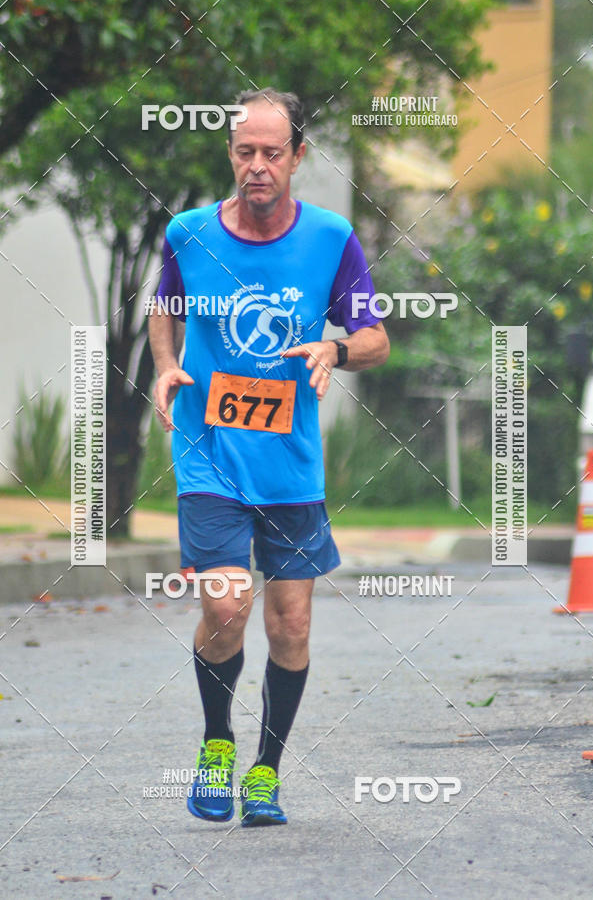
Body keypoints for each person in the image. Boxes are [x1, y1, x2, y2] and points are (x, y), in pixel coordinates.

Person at [148, 87, 389, 827]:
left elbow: (376, 339)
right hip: (210, 453)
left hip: (289, 463)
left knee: (290, 628)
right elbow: (167, 306)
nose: (257, 166)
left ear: (297, 157)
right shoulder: (188, 233)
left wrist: (335, 345)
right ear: (230, 154)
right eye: (245, 152)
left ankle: (265, 770)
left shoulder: (330, 238)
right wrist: (164, 364)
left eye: (272, 153)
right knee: (226, 604)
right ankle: (217, 743)